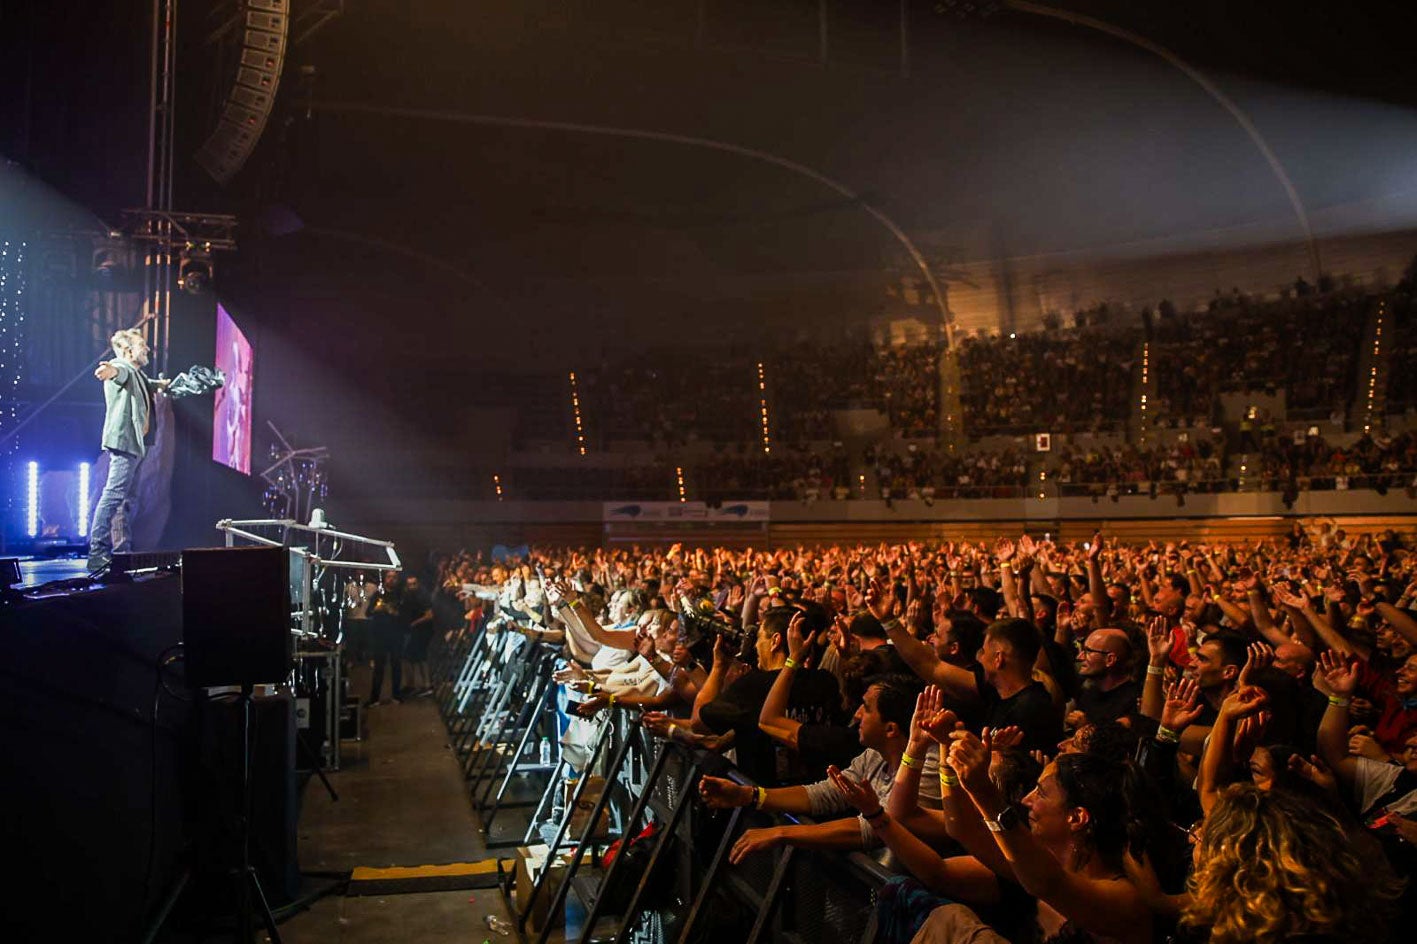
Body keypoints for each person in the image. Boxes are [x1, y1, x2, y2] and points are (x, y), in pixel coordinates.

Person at [87, 327, 168, 574]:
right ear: (126, 349)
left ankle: (122, 552)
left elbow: (155, 384)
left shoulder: (139, 376)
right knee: (113, 495)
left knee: (127, 499)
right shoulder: (121, 366)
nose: (147, 349)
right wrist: (107, 370)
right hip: (124, 442)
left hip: (136, 445)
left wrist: (171, 384)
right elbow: (115, 371)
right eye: (142, 344)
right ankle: (97, 552)